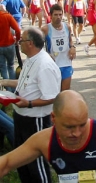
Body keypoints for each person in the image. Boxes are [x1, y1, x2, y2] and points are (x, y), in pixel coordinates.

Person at [0, 27, 61, 183]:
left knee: (36, 162)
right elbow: (25, 84)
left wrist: (29, 103)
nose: (19, 43)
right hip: (22, 116)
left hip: (35, 120)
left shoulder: (44, 65)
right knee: (22, 159)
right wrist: (5, 82)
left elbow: (53, 97)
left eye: (21, 41)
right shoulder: (31, 59)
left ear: (30, 43)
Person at [42, 4, 76, 91]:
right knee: (54, 92)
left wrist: (72, 47)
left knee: (65, 92)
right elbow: (38, 47)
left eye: (60, 14)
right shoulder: (45, 29)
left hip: (66, 63)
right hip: (53, 65)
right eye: (56, 15)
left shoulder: (67, 27)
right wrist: (47, 55)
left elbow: (70, 40)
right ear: (51, 15)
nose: (58, 17)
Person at [0, 4, 20, 81]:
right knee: (11, 66)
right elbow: (17, 30)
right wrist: (17, 40)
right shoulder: (7, 16)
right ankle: (13, 88)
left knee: (3, 67)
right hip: (9, 44)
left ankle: (7, 88)